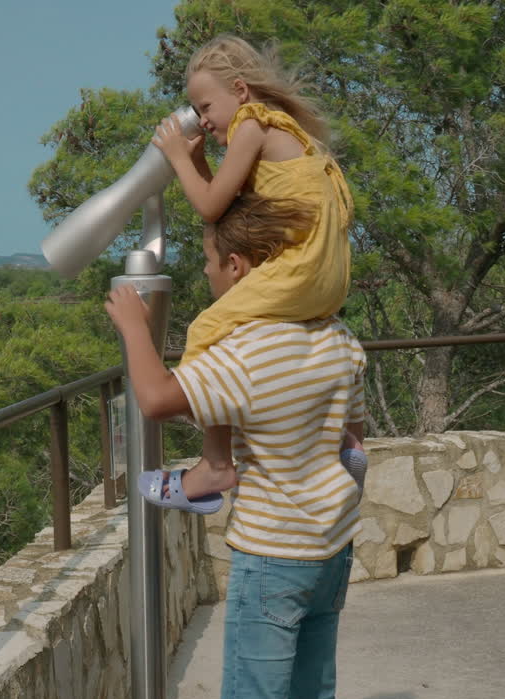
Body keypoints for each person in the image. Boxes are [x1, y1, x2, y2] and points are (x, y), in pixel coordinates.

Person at [105, 192, 365, 699]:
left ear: (236, 265)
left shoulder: (245, 353)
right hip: (331, 546)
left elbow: (155, 398)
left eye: (207, 262)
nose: (206, 273)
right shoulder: (336, 334)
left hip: (273, 556)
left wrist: (135, 326)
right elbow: (353, 439)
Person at [140, 33, 364, 510]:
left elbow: (208, 206)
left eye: (205, 105)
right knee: (308, 339)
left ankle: (217, 464)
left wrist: (179, 156)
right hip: (330, 274)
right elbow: (228, 209)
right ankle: (344, 440)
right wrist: (200, 160)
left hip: (301, 267)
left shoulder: (252, 125)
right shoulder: (289, 133)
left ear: (240, 91)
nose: (202, 119)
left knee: (209, 328)